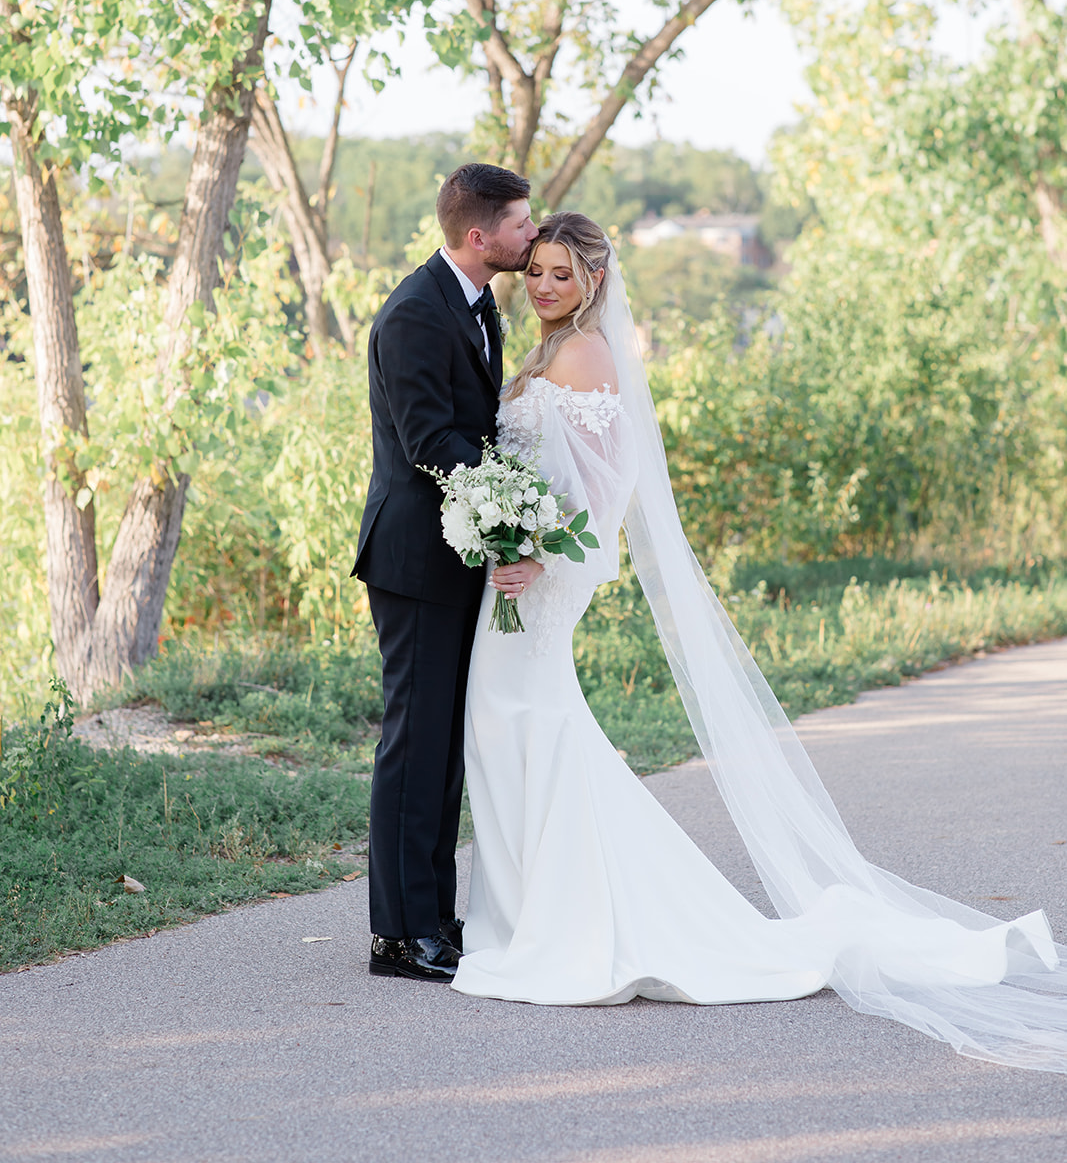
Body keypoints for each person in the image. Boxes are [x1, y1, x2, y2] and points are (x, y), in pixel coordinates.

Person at [451, 211, 1067, 1074]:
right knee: (513, 721)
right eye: (537, 273)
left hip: (549, 571)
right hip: (523, 565)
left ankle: (560, 917)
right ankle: (531, 910)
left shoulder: (585, 353)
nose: (544, 286)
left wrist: (533, 550)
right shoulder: (547, 350)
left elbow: (604, 484)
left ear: (593, 280)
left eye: (561, 274)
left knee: (523, 717)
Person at [353, 162, 538, 981]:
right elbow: (430, 442)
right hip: (415, 559)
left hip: (455, 549)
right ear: (479, 234)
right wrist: (517, 507)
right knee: (414, 743)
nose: (530, 236)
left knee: (442, 745)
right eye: (521, 225)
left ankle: (433, 915)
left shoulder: (473, 303)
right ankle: (397, 936)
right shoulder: (413, 314)